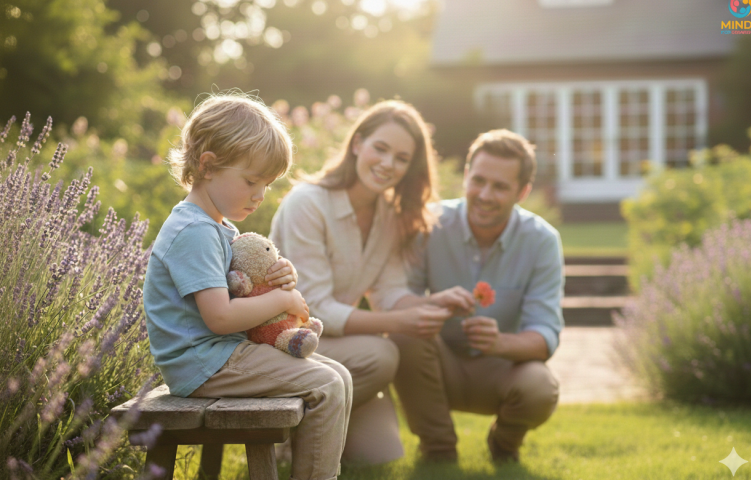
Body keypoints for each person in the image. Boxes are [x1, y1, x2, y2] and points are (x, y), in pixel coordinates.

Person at [142, 94, 352, 480]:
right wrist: (283, 298)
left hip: (221, 355)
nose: (260, 194)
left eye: (267, 184)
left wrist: (276, 279)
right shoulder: (194, 231)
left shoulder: (218, 227)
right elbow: (220, 317)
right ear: (208, 166)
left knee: (340, 375)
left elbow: (239, 288)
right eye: (251, 180)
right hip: (204, 363)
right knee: (326, 384)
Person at [270, 100, 474, 464]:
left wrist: (434, 302)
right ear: (357, 143)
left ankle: (310, 430)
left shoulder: (388, 216)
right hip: (287, 342)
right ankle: (280, 431)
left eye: (401, 157)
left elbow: (389, 294)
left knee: (380, 454)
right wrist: (399, 323)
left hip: (333, 343)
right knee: (382, 353)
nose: (387, 164)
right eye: (380, 148)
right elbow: (313, 306)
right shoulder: (308, 203)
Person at [393, 129, 563, 463]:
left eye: (500, 187)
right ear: (466, 177)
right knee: (401, 335)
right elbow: (399, 301)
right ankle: (438, 451)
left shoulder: (542, 241)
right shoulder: (430, 224)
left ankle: (504, 444)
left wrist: (500, 344)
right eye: (478, 181)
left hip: (502, 370)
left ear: (523, 191)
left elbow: (545, 335)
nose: (485, 195)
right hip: (437, 365)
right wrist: (434, 303)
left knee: (540, 389)